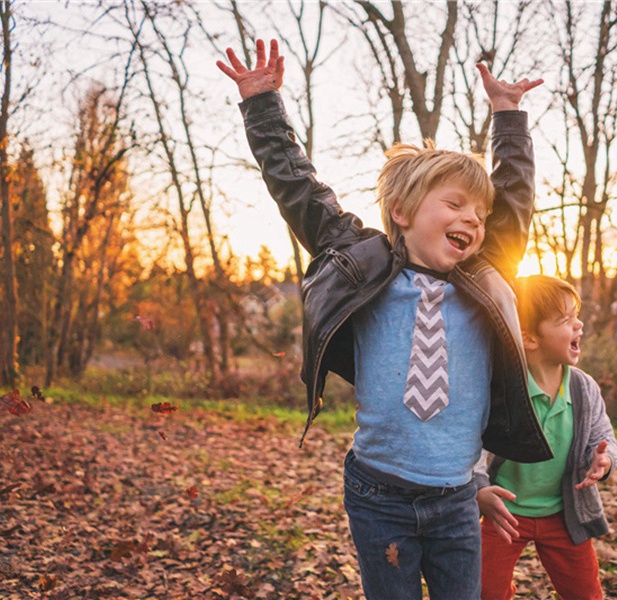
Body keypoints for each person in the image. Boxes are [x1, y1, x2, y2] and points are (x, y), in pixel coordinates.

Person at [217, 38, 550, 600]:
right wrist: (262, 106)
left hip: (455, 498)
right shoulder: (362, 263)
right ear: (402, 212)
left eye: (478, 211)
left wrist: (509, 117)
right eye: (454, 204)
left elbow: (513, 198)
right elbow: (300, 191)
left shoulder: (485, 275)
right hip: (377, 494)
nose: (472, 217)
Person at [475, 275, 617, 600]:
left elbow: (604, 438)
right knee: (485, 592)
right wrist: (481, 489)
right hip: (503, 514)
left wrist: (604, 459)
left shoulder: (583, 390)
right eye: (566, 320)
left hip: (563, 513)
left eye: (576, 316)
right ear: (529, 338)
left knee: (585, 593)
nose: (579, 325)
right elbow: (468, 445)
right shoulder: (503, 391)